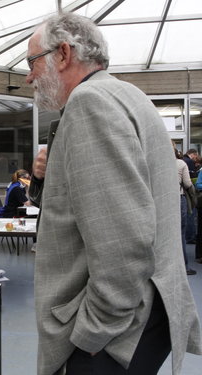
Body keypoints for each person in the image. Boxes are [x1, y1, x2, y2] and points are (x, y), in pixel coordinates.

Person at [26, 13, 201, 375]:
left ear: (62, 54)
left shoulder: (90, 104)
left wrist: (93, 333)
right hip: (144, 311)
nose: (29, 76)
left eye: (32, 62)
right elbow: (80, 210)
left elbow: (123, 241)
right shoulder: (126, 95)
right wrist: (46, 176)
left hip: (117, 330)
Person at [176, 148, 197, 275]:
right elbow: (188, 183)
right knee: (181, 234)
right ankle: (184, 266)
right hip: (178, 199)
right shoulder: (181, 163)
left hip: (161, 200)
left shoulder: (157, 163)